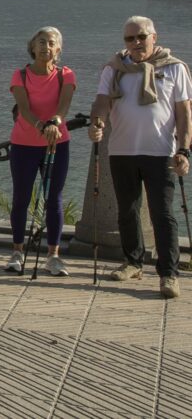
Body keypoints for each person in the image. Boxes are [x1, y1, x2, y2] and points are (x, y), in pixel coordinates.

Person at [89, 16, 191, 299]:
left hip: (161, 152)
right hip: (122, 151)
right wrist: (97, 122)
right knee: (127, 211)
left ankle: (168, 273)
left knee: (163, 214)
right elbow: (101, 102)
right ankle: (133, 262)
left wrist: (184, 149)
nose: (136, 43)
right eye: (129, 38)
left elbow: (184, 113)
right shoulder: (114, 68)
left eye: (141, 37)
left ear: (154, 37)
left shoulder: (174, 68)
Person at [6, 27, 76, 276]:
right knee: (21, 198)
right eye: (42, 42)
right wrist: (41, 126)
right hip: (24, 145)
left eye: (52, 43)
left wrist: (54, 123)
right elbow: (24, 109)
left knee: (53, 198)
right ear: (33, 47)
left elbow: (63, 106)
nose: (46, 46)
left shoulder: (65, 75)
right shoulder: (20, 75)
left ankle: (53, 256)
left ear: (58, 49)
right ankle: (17, 252)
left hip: (57, 143)